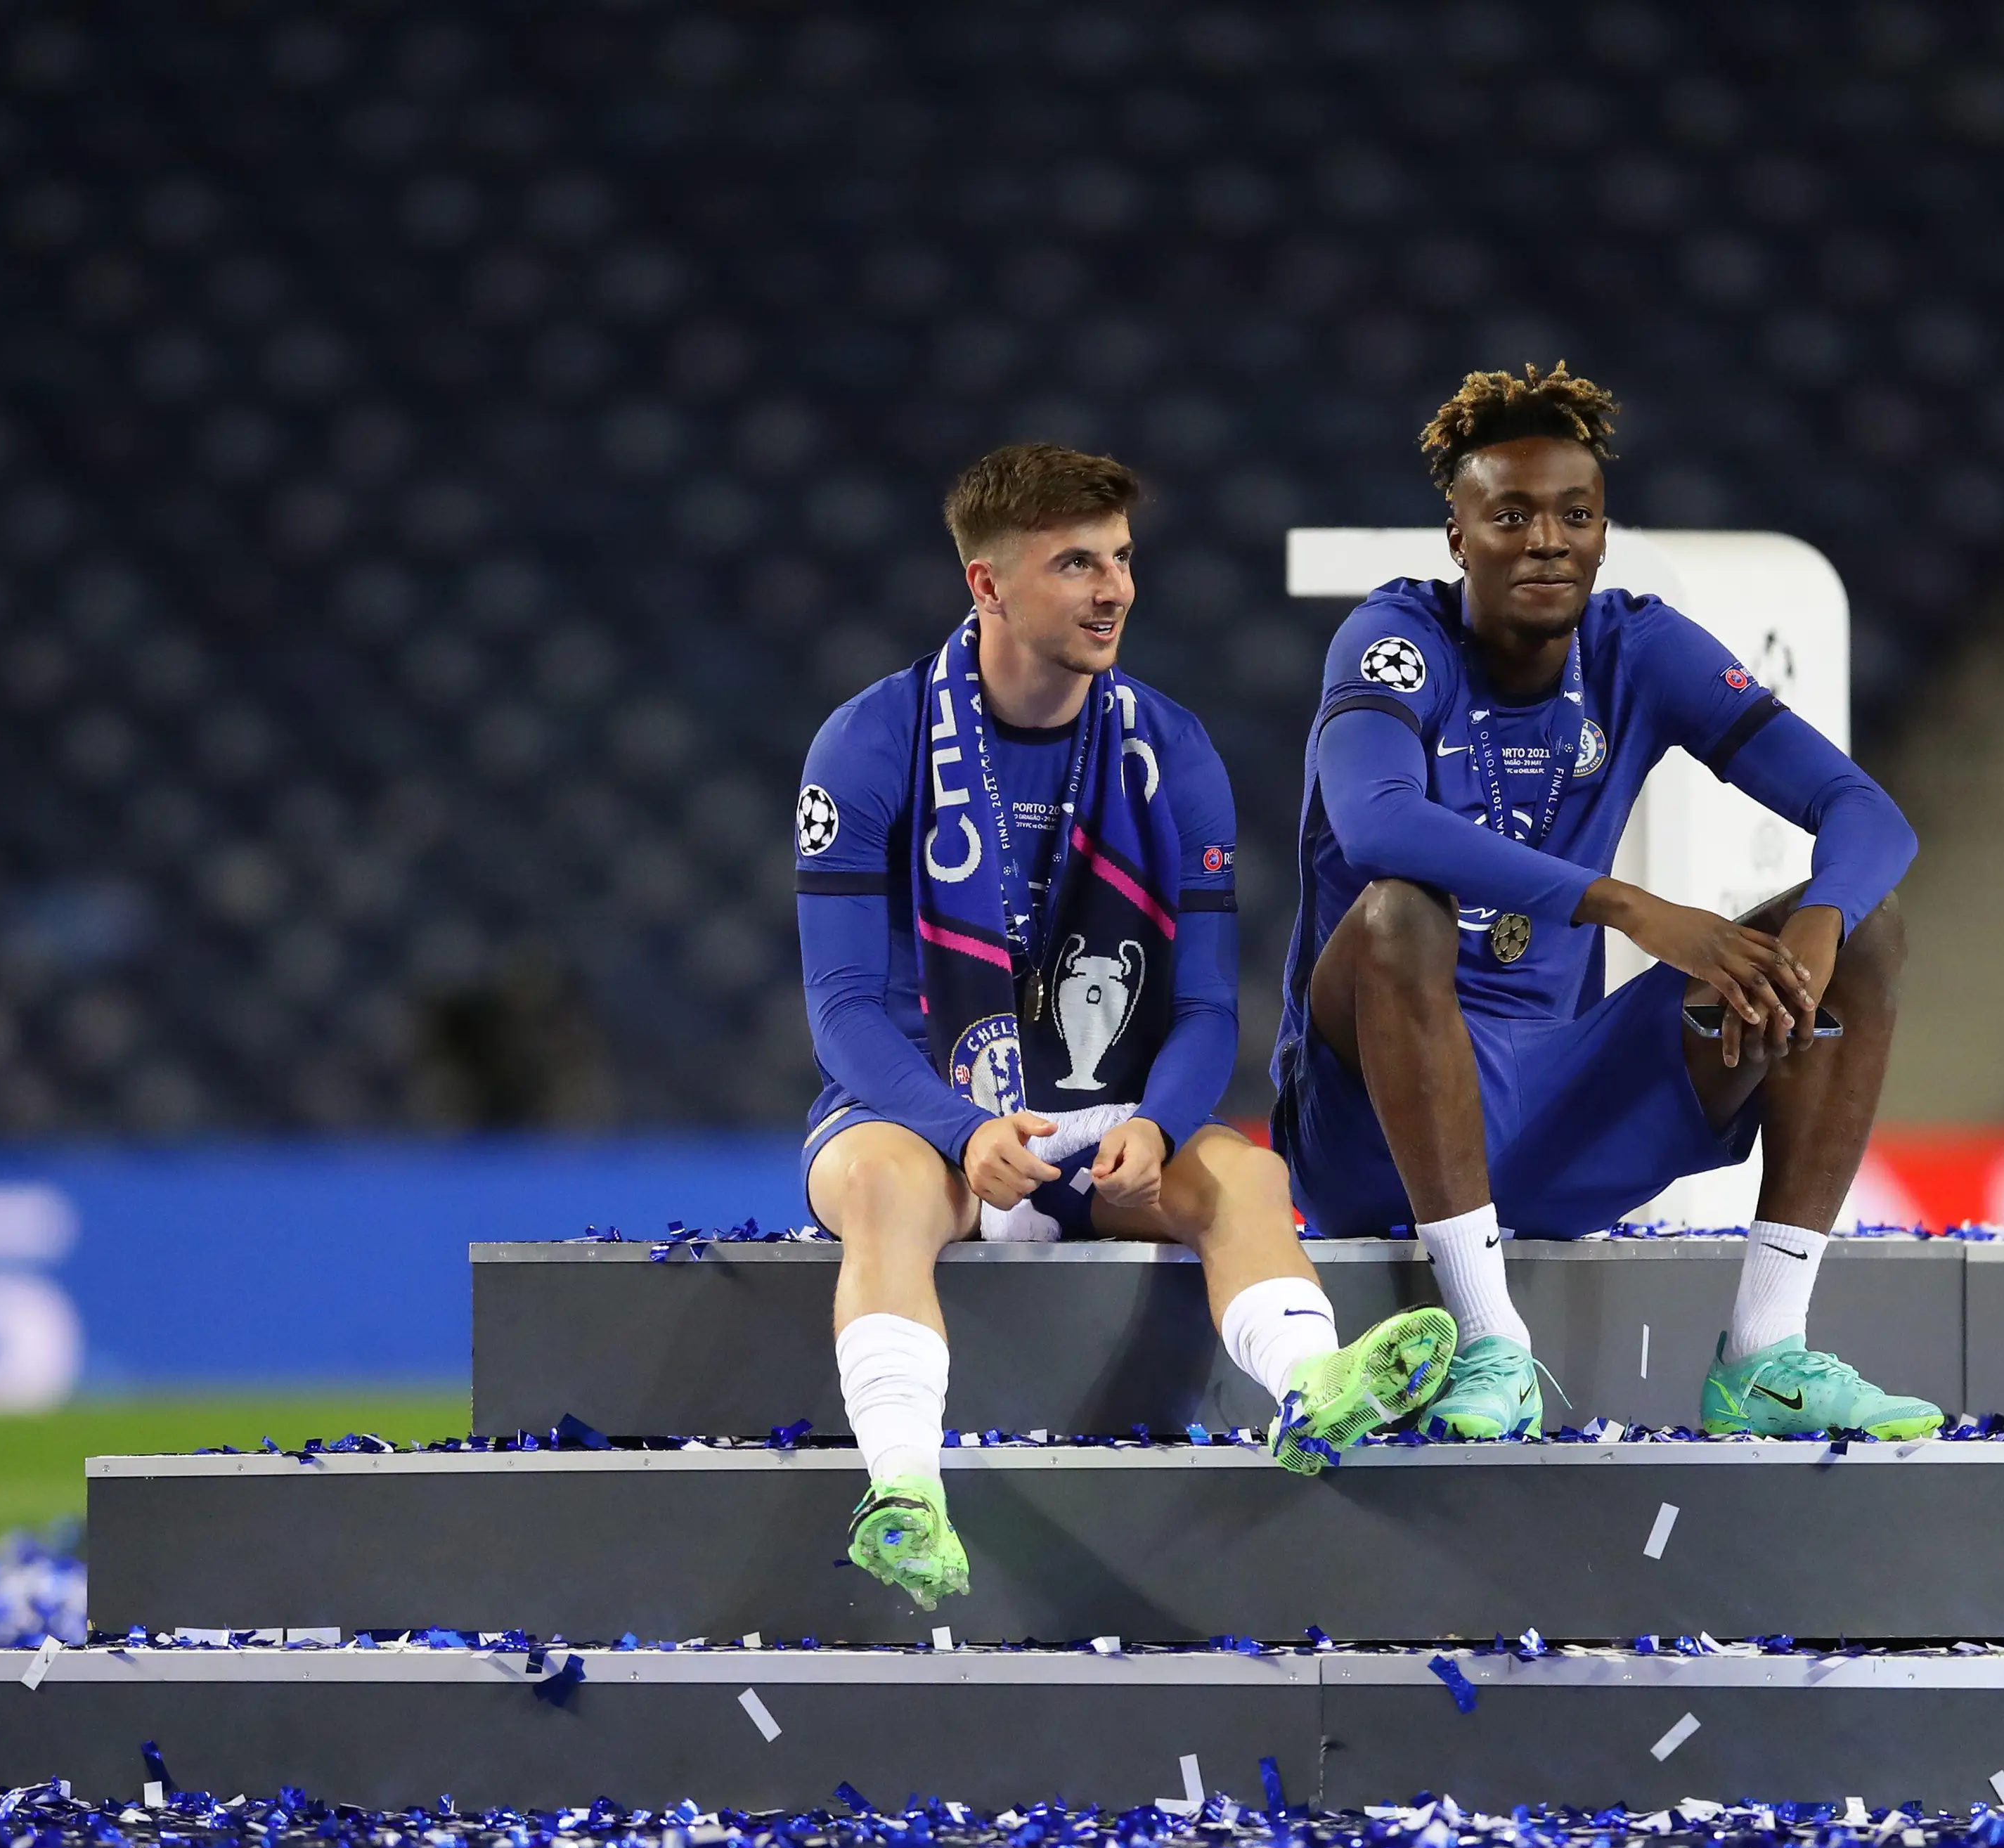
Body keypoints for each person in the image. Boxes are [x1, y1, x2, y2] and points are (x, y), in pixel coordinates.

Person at [796, 444, 1452, 1610]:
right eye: (1076, 563)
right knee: (891, 1187)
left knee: (1242, 1176)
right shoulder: (869, 743)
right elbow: (844, 1010)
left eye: (1124, 560)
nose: (1115, 590)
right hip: (914, 1115)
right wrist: (958, 1129)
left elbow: (1204, 1006)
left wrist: (1160, 1122)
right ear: (987, 588)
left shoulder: (1174, 750)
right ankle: (903, 1491)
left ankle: (1314, 1386)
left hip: (1103, 1119)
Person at [1272, 366, 1939, 1444]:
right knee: (1403, 912)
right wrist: (1628, 907)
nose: (1548, 540)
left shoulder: (1637, 645)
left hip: (1558, 1101)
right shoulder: (1396, 639)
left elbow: (1867, 813)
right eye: (1512, 515)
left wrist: (1818, 926)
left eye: (1575, 515)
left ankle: (1766, 1354)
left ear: (1603, 532)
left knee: (1873, 924)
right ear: (1457, 536)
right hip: (1372, 1129)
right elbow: (1377, 822)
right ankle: (1491, 1341)